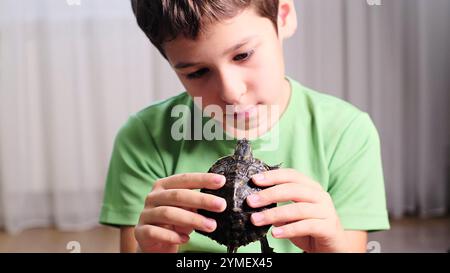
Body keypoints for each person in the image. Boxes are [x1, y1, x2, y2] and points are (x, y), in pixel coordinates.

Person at [99, 0, 390, 253]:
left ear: (283, 17)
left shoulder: (347, 132)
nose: (230, 92)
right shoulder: (143, 137)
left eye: (243, 55)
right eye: (198, 72)